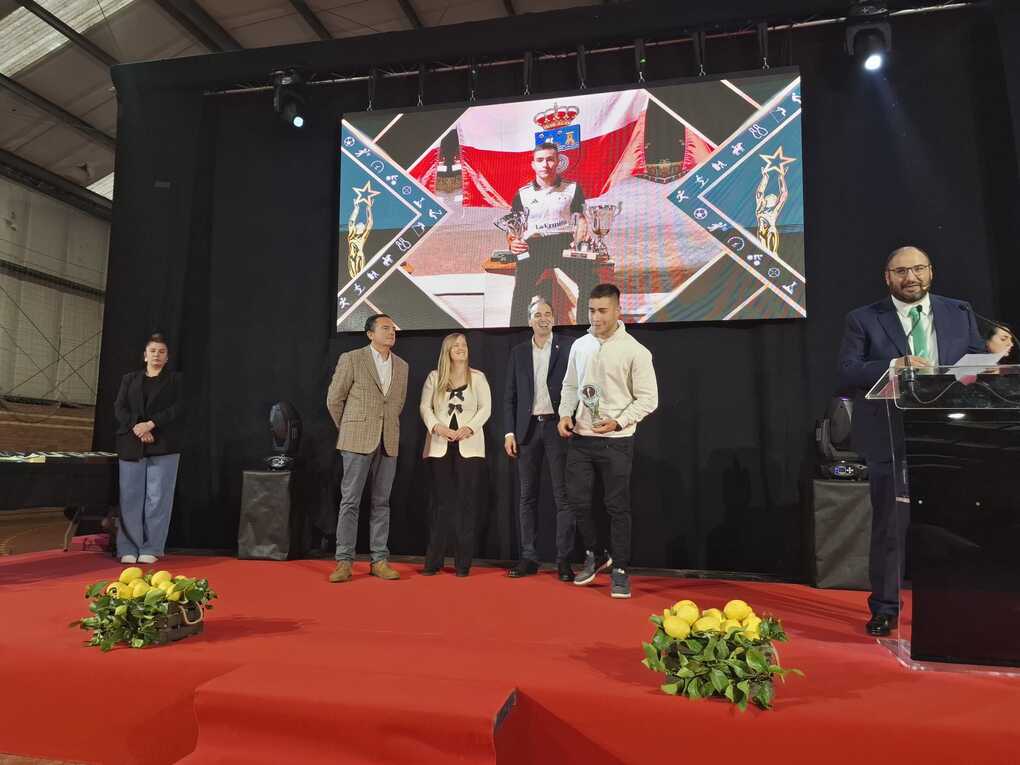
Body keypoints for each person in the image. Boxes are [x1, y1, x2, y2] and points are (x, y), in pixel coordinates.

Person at [837, 246, 985, 636]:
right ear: (888, 277)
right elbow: (848, 370)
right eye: (901, 271)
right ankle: (886, 607)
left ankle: (955, 604)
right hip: (890, 433)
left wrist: (974, 371)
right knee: (891, 525)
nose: (911, 277)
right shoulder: (863, 318)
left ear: (931, 272)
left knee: (955, 524)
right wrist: (894, 365)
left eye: (918, 269)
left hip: (949, 433)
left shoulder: (959, 311)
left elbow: (975, 356)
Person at [558, 283, 658, 598]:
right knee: (577, 502)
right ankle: (595, 553)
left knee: (617, 507)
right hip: (581, 439)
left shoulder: (635, 351)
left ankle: (621, 570)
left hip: (617, 441)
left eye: (602, 311)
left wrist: (619, 421)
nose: (596, 317)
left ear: (617, 310)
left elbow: (649, 399)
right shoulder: (580, 345)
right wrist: (565, 413)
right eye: (591, 310)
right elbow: (570, 386)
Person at [326, 314, 408, 583]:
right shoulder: (352, 358)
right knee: (350, 500)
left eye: (393, 328)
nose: (391, 332)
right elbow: (334, 399)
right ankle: (344, 561)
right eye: (385, 328)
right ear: (370, 334)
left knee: (382, 502)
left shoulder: (402, 366)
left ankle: (379, 560)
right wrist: (349, 428)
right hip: (356, 440)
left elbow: (397, 404)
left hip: (388, 440)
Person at [504, 298, 575, 581]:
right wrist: (509, 432)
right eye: (537, 315)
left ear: (554, 319)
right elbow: (509, 396)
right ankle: (529, 557)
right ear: (529, 320)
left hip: (558, 427)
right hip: (527, 430)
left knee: (563, 497)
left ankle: (564, 561)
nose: (543, 318)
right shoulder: (518, 352)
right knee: (526, 497)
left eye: (547, 314)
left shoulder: (569, 347)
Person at [420, 334, 491, 576]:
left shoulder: (478, 377)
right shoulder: (434, 377)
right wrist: (437, 427)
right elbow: (425, 407)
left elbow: (485, 408)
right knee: (440, 505)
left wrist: (469, 427)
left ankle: (463, 564)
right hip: (440, 446)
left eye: (464, 345)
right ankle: (433, 561)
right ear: (447, 351)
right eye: (456, 345)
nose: (461, 348)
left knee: (466, 505)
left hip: (469, 447)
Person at [113, 332, 185, 565]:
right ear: (145, 355)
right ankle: (127, 547)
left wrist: (151, 424)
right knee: (129, 497)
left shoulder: (176, 380)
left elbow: (178, 408)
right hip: (131, 442)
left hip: (164, 444)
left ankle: (151, 547)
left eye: (161, 352)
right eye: (153, 351)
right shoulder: (129, 379)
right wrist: (138, 427)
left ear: (167, 357)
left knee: (158, 497)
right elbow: (119, 407)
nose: (157, 355)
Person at [506, 142, 595, 327]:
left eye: (550, 160)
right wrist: (512, 242)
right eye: (540, 160)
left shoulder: (573, 188)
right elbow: (513, 227)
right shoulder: (523, 194)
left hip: (564, 243)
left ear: (558, 162)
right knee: (521, 290)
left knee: (590, 280)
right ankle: (516, 334)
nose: (545, 164)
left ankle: (583, 331)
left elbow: (580, 219)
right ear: (533, 164)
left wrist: (580, 239)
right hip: (534, 246)